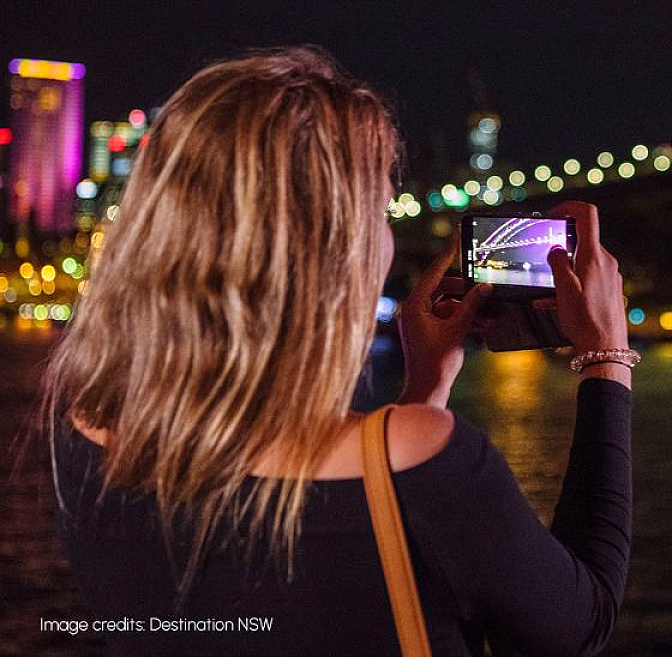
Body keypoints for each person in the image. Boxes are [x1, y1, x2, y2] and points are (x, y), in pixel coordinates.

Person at [43, 47, 634, 655]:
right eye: (377, 211)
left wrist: (422, 389)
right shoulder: (437, 463)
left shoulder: (85, 430)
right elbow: (580, 625)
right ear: (330, 249)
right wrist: (606, 358)